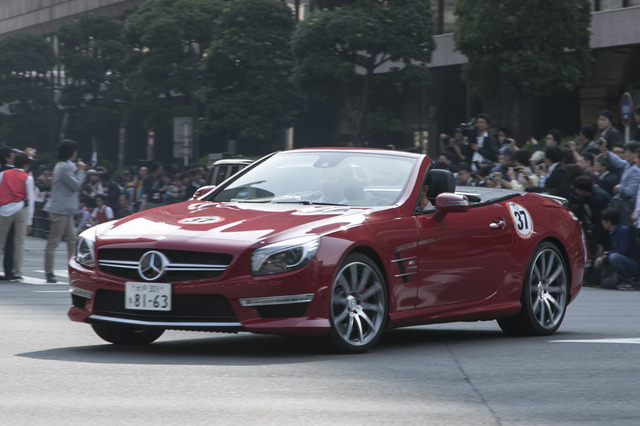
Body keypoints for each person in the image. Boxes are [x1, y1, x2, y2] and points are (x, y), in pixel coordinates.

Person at [43, 139, 86, 283]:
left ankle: (73, 270)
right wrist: (81, 172)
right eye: (75, 151)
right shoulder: (64, 167)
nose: (76, 154)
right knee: (54, 242)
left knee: (73, 241)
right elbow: (76, 185)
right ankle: (49, 272)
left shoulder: (64, 166)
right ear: (71, 152)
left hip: (66, 210)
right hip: (59, 210)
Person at [0, 153, 35, 282]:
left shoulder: (3, 174)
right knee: (19, 242)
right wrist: (29, 221)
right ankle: (18, 271)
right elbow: (31, 200)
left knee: (1, 242)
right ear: (25, 165)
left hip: (4, 210)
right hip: (20, 209)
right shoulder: (27, 178)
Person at [593, 208, 640, 290]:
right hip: (627, 262)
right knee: (606, 258)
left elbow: (622, 250)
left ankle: (627, 282)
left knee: (614, 257)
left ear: (608, 222)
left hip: (635, 264)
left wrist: (606, 254)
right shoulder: (613, 232)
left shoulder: (624, 230)